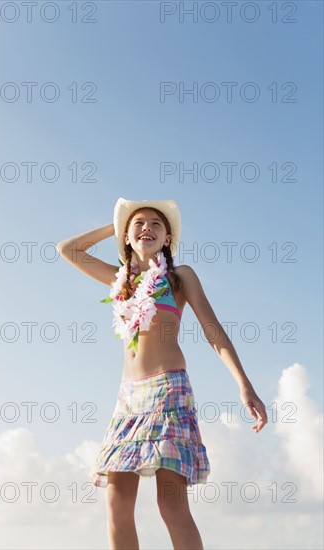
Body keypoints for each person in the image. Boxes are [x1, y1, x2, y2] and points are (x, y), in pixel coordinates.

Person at [57, 197, 268, 550]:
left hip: (169, 390)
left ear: (168, 239)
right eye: (139, 224)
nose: (147, 228)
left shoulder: (179, 277)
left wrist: (244, 385)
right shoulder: (118, 279)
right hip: (128, 399)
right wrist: (118, 223)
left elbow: (213, 330)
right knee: (116, 502)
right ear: (127, 235)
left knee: (170, 504)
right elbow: (68, 249)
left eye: (157, 224)